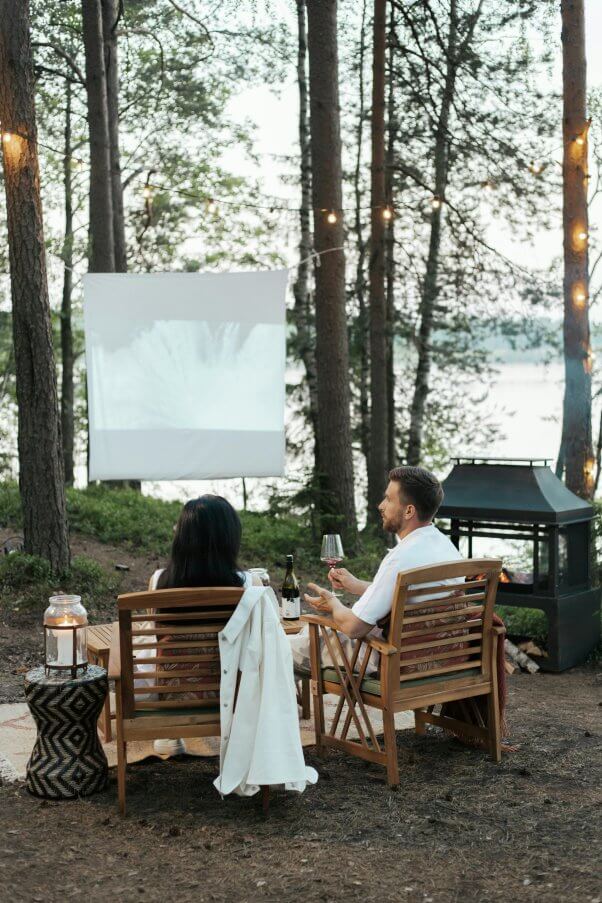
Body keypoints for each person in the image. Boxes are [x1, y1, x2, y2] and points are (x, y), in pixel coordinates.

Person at [290, 465, 464, 674]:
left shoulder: (401, 558)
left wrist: (333, 602)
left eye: (389, 499)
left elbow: (354, 627)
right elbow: (407, 595)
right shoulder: (447, 548)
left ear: (409, 510)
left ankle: (287, 706)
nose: (381, 505)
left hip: (394, 661)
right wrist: (357, 586)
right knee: (306, 637)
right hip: (441, 658)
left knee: (283, 648)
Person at [142, 495, 263, 756]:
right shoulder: (248, 584)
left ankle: (171, 733)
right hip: (230, 694)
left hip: (171, 694)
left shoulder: (159, 581)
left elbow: (157, 638)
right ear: (229, 538)